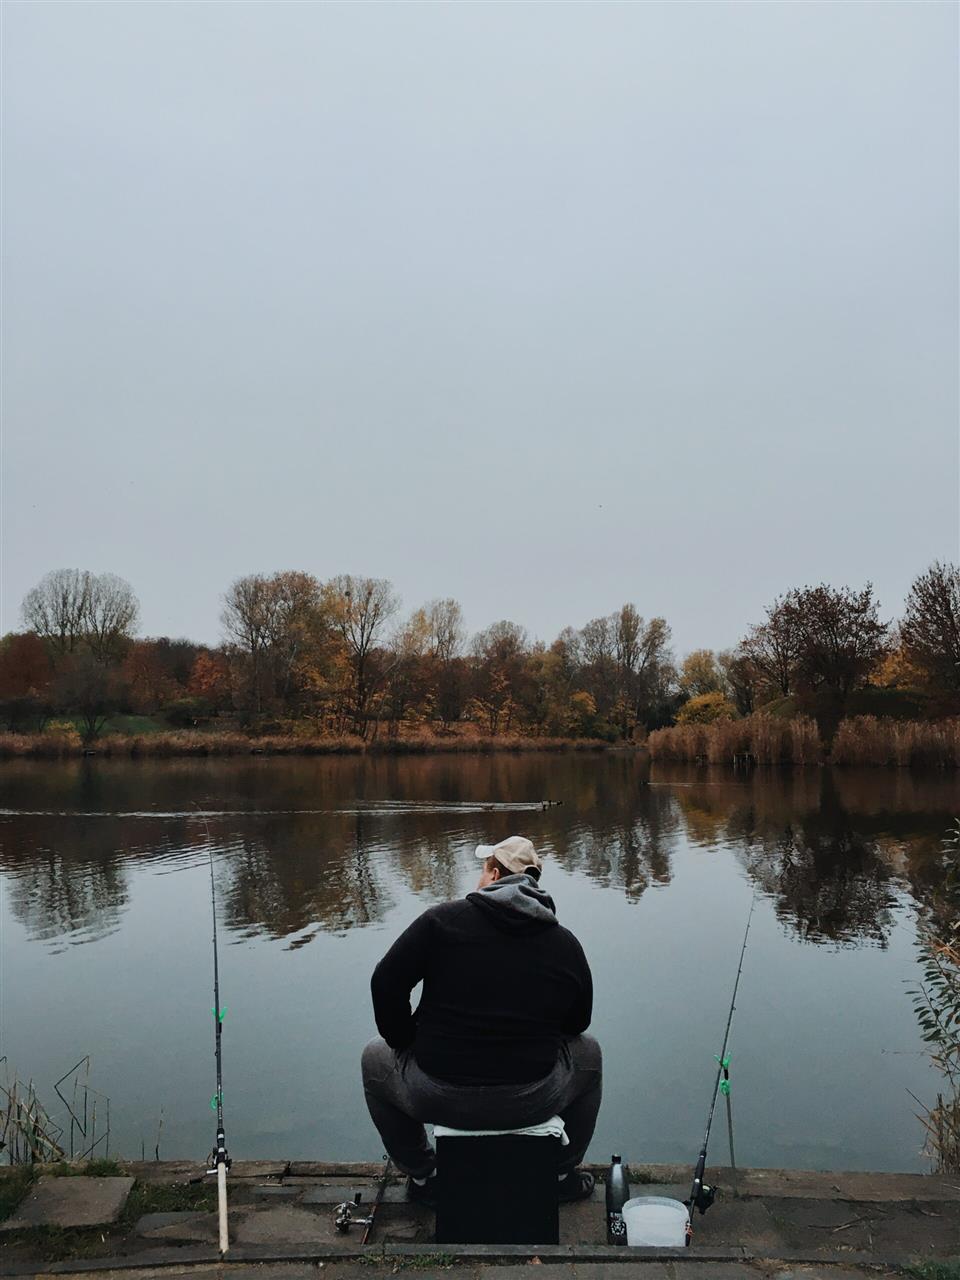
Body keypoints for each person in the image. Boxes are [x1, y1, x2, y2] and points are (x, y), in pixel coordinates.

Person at [361, 835, 602, 1207]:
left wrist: (404, 1039)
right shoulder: (563, 943)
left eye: (481, 869)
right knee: (590, 1055)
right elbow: (577, 1024)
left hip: (437, 1093)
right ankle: (558, 1175)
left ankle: (426, 1177)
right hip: (533, 1097)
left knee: (374, 1058)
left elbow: (385, 982)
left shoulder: (440, 922)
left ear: (493, 873)